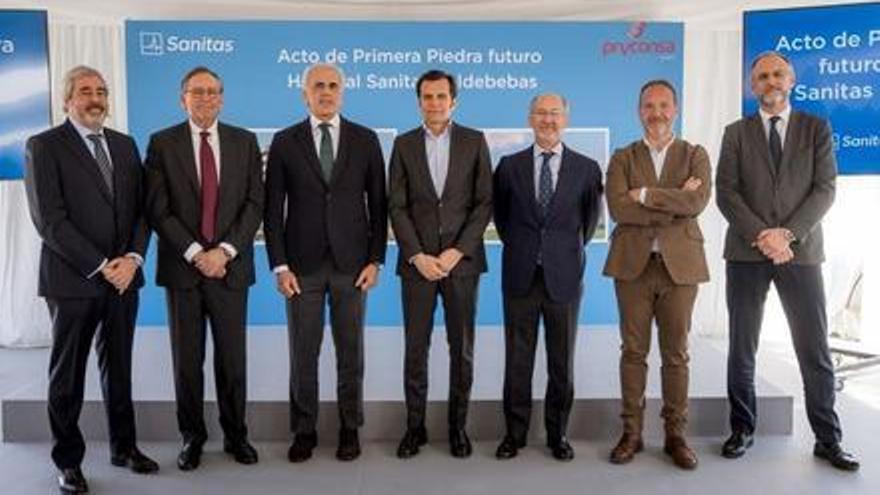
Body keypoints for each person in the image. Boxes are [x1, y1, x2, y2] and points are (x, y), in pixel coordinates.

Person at [716, 51, 859, 471]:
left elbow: (825, 188)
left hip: (801, 252)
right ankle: (742, 429)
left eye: (778, 73)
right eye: (761, 76)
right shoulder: (735, 133)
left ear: (791, 79)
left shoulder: (816, 127)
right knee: (742, 347)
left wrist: (787, 234)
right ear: (752, 85)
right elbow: (726, 191)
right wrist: (763, 235)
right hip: (747, 252)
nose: (770, 81)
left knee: (813, 349)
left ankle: (828, 439)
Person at [24, 65, 158, 494]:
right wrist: (103, 264)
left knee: (119, 370)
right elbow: (50, 221)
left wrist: (133, 259)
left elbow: (141, 210)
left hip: (124, 280)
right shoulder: (44, 146)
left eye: (101, 90)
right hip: (73, 281)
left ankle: (125, 447)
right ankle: (68, 461)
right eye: (85, 91)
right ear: (68, 100)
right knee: (68, 376)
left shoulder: (124, 144)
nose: (95, 98)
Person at [264, 62, 388, 462]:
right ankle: (304, 431)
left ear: (343, 92)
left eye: (333, 85)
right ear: (305, 94)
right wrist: (279, 266)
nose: (326, 91)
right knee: (304, 352)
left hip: (353, 266)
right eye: (318, 86)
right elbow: (272, 210)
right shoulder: (284, 142)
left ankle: (350, 429)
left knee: (351, 352)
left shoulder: (366, 140)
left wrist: (376, 260)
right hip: (301, 268)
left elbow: (380, 206)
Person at [145, 66, 262, 471]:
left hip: (230, 270)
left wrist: (224, 251)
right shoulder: (162, 143)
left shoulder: (245, 142)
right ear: (183, 98)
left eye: (213, 91)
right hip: (184, 271)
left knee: (232, 360)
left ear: (223, 98)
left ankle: (236, 436)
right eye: (197, 92)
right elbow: (159, 210)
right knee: (187, 362)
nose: (206, 98)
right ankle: (192, 437)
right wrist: (197, 252)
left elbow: (254, 204)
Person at [603, 80, 711, 470]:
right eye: (649, 106)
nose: (657, 113)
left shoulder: (695, 154)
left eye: (664, 105)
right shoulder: (623, 157)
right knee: (633, 352)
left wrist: (645, 195)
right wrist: (674, 201)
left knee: (676, 354)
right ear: (639, 112)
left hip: (680, 268)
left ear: (675, 110)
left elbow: (697, 201)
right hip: (633, 267)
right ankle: (631, 432)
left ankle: (674, 435)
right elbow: (618, 208)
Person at [492, 93, 603, 461]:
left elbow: (587, 225)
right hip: (520, 276)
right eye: (541, 113)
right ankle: (515, 434)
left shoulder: (587, 169)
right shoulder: (508, 166)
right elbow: (503, 221)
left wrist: (558, 253)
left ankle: (558, 435)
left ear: (566, 119)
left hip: (565, 278)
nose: (548, 119)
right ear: (530, 118)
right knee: (517, 361)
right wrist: (531, 249)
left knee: (561, 363)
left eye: (555, 113)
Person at [389, 69, 493, 459]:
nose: (434, 103)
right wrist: (417, 255)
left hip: (461, 265)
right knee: (415, 350)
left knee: (460, 350)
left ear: (454, 101)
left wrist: (456, 252)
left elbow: (484, 203)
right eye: (427, 97)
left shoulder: (474, 141)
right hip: (417, 266)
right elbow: (396, 206)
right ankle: (414, 429)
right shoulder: (403, 145)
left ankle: (457, 429)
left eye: (441, 96)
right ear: (419, 102)